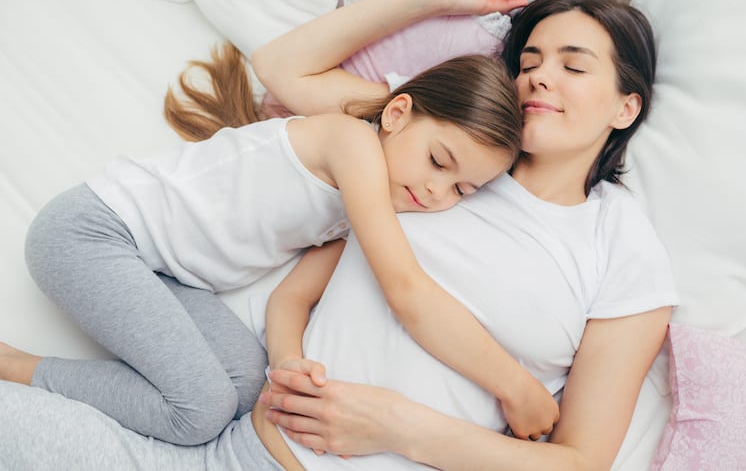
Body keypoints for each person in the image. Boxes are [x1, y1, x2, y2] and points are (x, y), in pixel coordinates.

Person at [0, 0, 677, 471]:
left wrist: (396, 424)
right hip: (231, 451)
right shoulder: (430, 151)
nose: (538, 75)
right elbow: (286, 72)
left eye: (573, 64)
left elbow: (579, 461)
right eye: (529, 58)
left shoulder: (620, 245)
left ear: (626, 106)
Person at [0, 24, 532, 448]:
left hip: (162, 272)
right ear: (396, 114)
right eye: (439, 161)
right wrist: (514, 385)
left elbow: (290, 298)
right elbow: (404, 285)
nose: (438, 192)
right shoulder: (351, 143)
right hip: (94, 232)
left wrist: (289, 363)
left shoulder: (352, 214)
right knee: (199, 414)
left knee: (245, 383)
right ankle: (15, 367)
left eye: (462, 189)